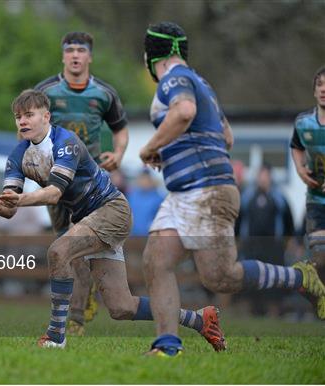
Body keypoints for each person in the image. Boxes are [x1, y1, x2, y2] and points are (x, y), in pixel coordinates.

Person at [0, 89, 227, 351]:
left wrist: (21, 200)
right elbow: (8, 208)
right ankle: (200, 319)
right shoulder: (18, 156)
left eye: (29, 114)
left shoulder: (66, 142)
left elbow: (54, 193)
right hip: (90, 219)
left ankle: (56, 337)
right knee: (121, 307)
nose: (22, 121)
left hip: (112, 211)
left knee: (58, 251)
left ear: (46, 116)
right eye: (18, 116)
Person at [139, 22, 325, 357]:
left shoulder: (173, 78)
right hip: (186, 192)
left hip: (206, 191)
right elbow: (226, 137)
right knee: (156, 259)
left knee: (221, 277)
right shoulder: (203, 84)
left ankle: (299, 278)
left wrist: (150, 146)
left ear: (152, 56)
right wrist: (178, 151)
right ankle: (167, 345)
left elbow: (184, 112)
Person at [35, 32, 130, 334]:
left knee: (76, 246)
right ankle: (82, 298)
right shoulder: (46, 91)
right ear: (62, 56)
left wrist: (118, 153)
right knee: (67, 246)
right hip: (58, 183)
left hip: (91, 182)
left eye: (81, 50)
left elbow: (120, 130)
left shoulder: (104, 93)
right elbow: (27, 130)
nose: (75, 55)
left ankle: (75, 317)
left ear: (90, 56)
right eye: (70, 50)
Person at [239, 163, 295, 316]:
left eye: (265, 175)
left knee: (273, 277)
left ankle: (273, 310)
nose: (263, 178)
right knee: (252, 276)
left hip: (273, 246)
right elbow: (238, 220)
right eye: (260, 175)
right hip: (251, 246)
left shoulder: (279, 197)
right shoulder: (247, 196)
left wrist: (288, 241)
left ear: (270, 177)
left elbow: (289, 222)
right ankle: (252, 310)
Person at [291, 65, 325, 311]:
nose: (324, 89)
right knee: (319, 257)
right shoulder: (303, 123)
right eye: (320, 85)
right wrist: (301, 170)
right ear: (314, 91)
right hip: (316, 200)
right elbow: (295, 146)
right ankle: (313, 292)